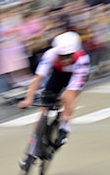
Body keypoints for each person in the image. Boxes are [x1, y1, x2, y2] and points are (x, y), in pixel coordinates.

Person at [18, 30, 90, 166]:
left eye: (69, 56)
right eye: (62, 56)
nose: (66, 59)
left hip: (75, 75)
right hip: (58, 74)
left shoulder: (82, 59)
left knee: (67, 96)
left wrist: (66, 114)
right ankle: (31, 152)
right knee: (44, 109)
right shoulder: (50, 54)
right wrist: (28, 99)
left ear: (75, 52)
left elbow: (72, 91)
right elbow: (37, 79)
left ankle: (64, 127)